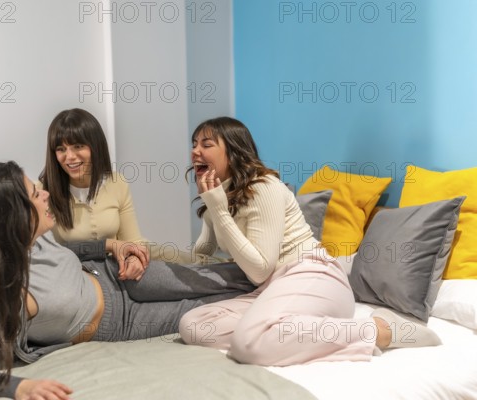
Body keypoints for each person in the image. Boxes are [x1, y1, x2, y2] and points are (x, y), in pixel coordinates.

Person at [0, 161, 254, 399]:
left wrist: (112, 244)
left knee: (223, 277)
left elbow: (71, 247)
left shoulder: (32, 239)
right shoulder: (5, 297)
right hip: (118, 322)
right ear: (10, 218)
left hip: (117, 275)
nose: (43, 192)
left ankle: (293, 269)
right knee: (212, 305)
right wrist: (16, 388)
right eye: (33, 194)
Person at [178, 117, 442, 366]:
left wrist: (219, 210)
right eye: (194, 144)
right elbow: (204, 251)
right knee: (194, 324)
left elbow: (260, 268)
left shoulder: (263, 187)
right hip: (274, 287)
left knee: (249, 342)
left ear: (234, 151)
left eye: (206, 144)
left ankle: (379, 330)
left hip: (314, 275)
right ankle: (277, 331)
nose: (195, 152)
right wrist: (157, 253)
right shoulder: (221, 197)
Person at [38, 108, 200, 280]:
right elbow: (48, 251)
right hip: (85, 272)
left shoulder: (116, 182)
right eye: (61, 149)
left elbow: (133, 240)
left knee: (190, 262)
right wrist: (109, 245)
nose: (69, 156)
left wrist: (135, 258)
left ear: (95, 146)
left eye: (78, 146)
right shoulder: (41, 192)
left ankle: (228, 265)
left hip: (122, 259)